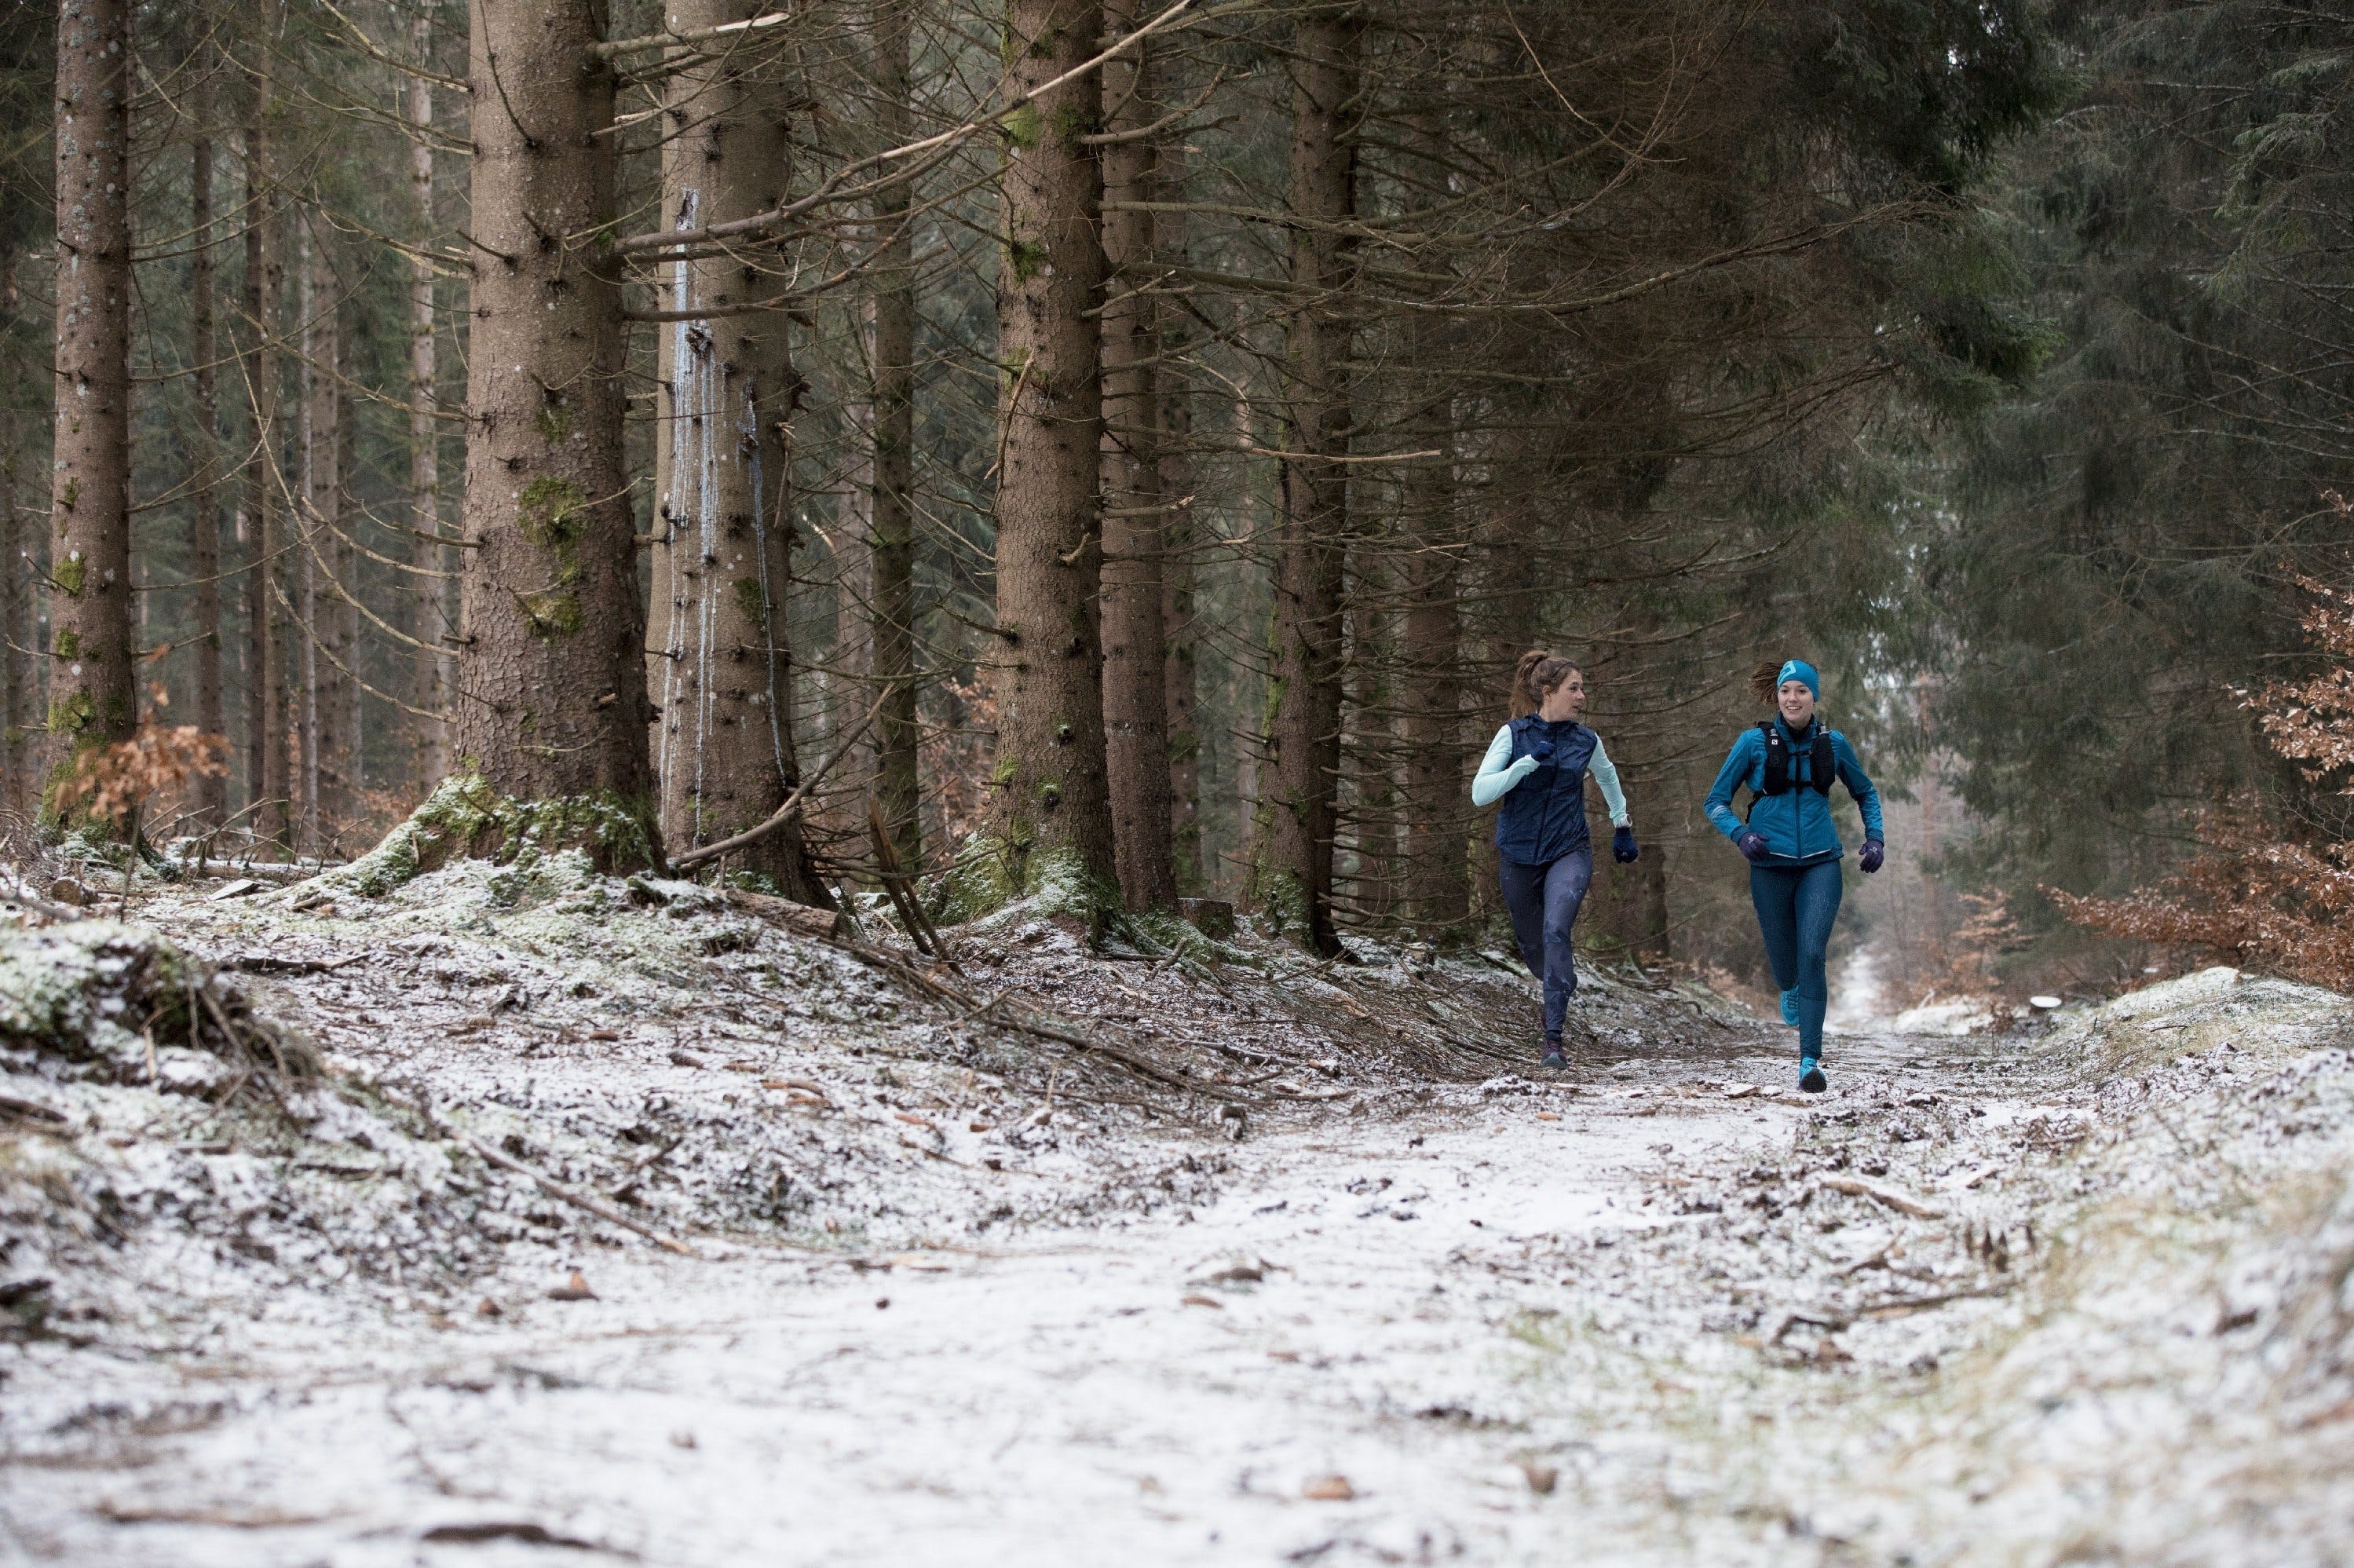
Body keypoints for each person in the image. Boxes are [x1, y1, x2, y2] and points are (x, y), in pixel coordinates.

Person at [1703, 658, 1884, 1093]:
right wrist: (1740, 835)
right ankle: (1789, 987)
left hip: (1821, 862)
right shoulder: (1752, 743)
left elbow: (1865, 791)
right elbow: (1715, 801)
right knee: (1786, 966)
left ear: (1814, 697)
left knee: (1812, 952)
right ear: (1777, 696)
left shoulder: (1834, 744)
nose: (1793, 698)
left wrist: (1875, 837)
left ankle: (1809, 1061)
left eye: (1802, 690)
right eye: (1787, 691)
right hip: (1769, 865)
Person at [1472, 652, 1640, 1069]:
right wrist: (1527, 764)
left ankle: (1553, 1041)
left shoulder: (1587, 740)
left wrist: (1621, 825)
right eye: (1574, 689)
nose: (1582, 696)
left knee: (1556, 929)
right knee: (1535, 949)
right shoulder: (1513, 735)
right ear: (1548, 692)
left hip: (1569, 849)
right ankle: (1559, 980)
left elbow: (1608, 775)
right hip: (1518, 852)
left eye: (1583, 688)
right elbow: (1481, 792)